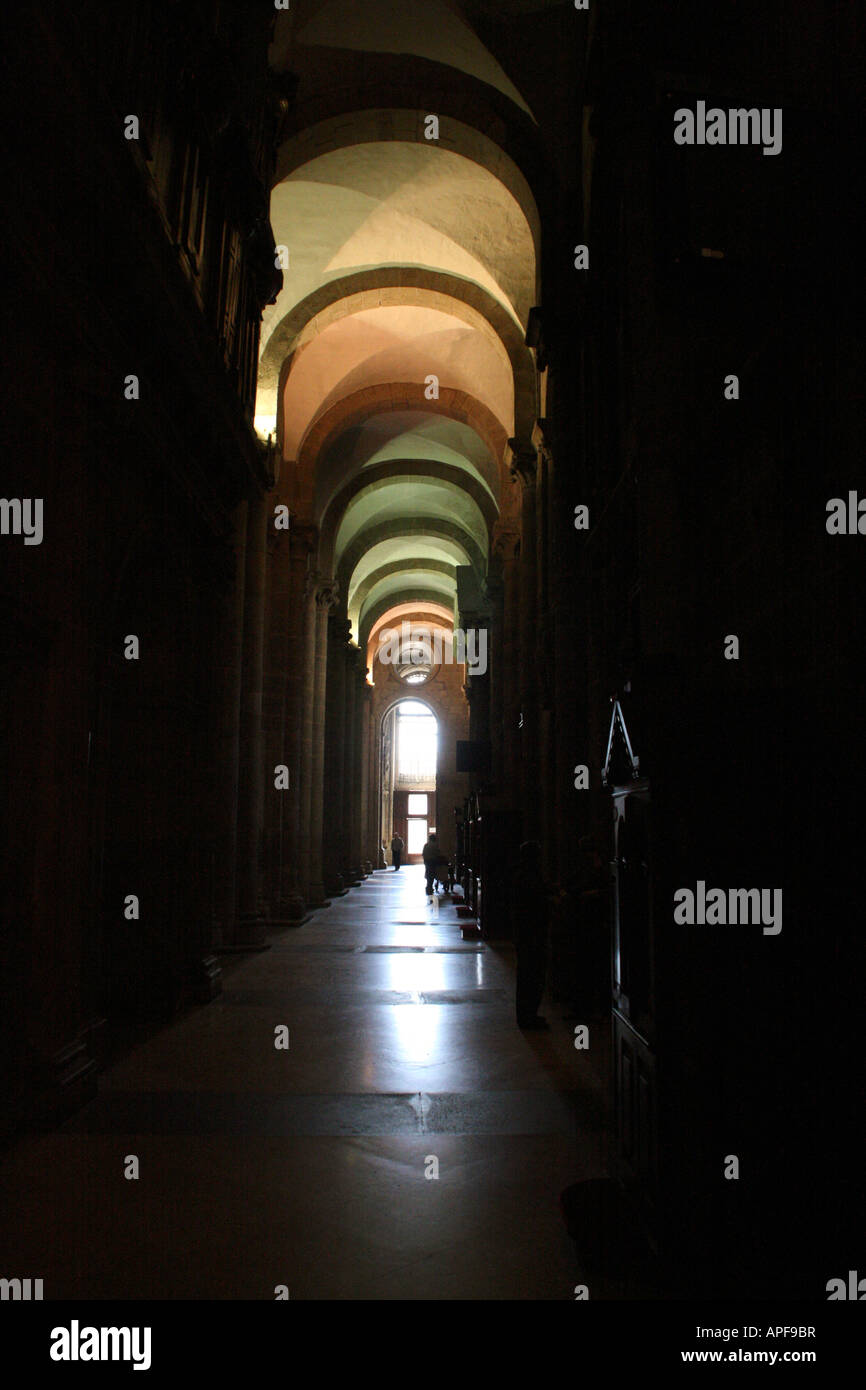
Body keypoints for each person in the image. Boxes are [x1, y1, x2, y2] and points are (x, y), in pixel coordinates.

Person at [513, 840, 550, 1029]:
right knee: (532, 976)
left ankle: (526, 1015)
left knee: (526, 975)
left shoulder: (521, 875)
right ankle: (529, 1016)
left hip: (524, 933)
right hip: (532, 934)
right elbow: (536, 904)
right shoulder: (530, 877)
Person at [422, 831, 440, 896]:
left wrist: (425, 860)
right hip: (432, 861)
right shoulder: (435, 845)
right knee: (432, 875)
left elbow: (423, 853)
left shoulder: (426, 845)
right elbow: (437, 853)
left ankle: (428, 887)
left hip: (427, 861)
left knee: (428, 874)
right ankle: (429, 887)